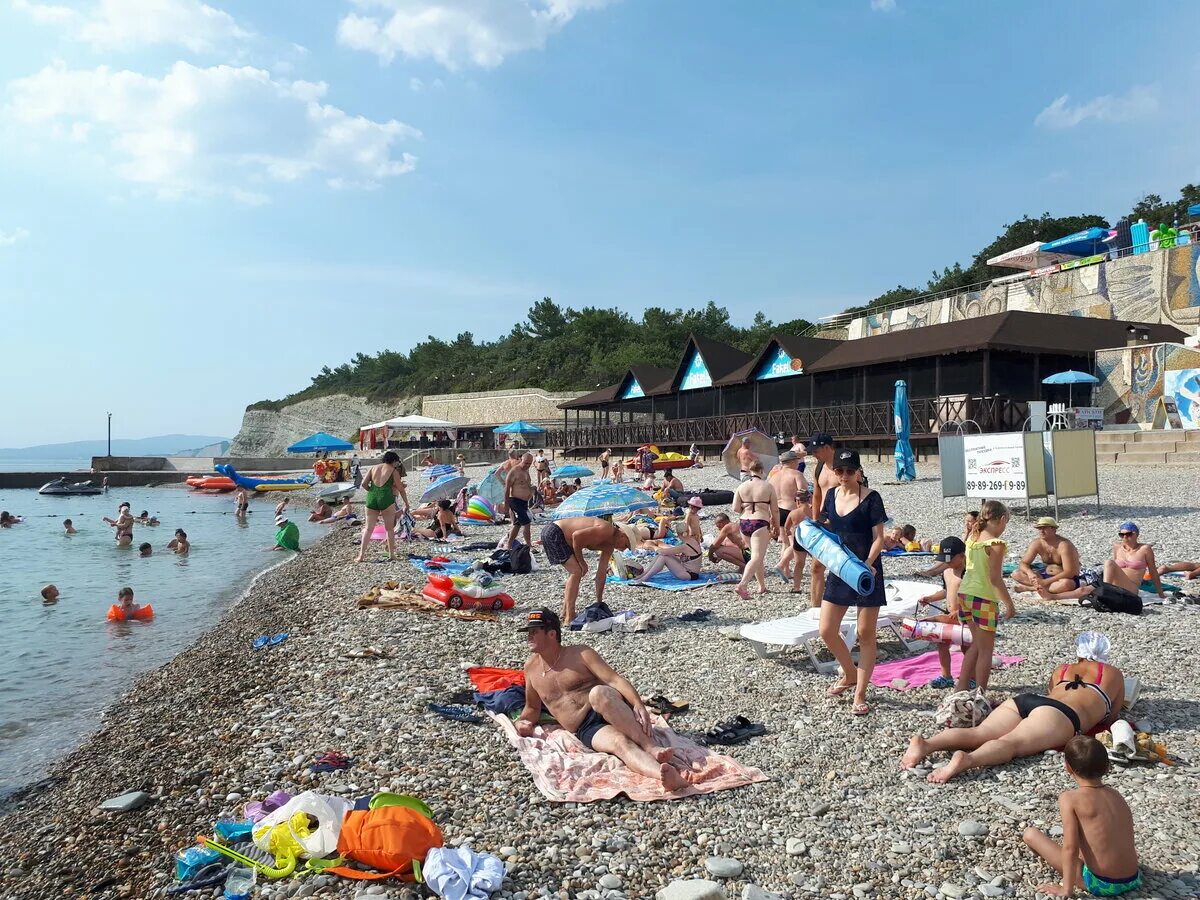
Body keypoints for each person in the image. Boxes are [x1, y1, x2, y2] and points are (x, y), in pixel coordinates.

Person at [903, 631, 1125, 784]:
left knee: (979, 732)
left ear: (1079, 651)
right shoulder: (1113, 674)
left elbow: (1050, 694)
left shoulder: (1063, 669)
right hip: (1060, 715)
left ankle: (927, 744)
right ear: (1104, 655)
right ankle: (968, 760)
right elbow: (1110, 717)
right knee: (1010, 743)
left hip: (1028, 700)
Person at [515, 608, 695, 789]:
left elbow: (615, 680)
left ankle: (651, 747)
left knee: (598, 693)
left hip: (606, 706)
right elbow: (532, 708)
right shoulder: (531, 668)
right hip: (586, 727)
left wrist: (637, 703)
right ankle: (665, 776)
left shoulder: (580, 654)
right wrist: (522, 722)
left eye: (534, 632)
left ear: (552, 634)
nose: (529, 637)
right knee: (620, 744)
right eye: (529, 633)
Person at [1023, 735, 1142, 897]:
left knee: (1031, 834)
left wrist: (1066, 889)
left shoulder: (1070, 799)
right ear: (1107, 768)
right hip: (1133, 878)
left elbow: (1070, 848)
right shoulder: (1116, 795)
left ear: (1068, 768)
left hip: (1103, 884)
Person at [818, 448, 887, 716]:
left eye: (850, 471)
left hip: (866, 571)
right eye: (840, 471)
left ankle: (860, 692)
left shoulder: (871, 498)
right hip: (840, 568)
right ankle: (849, 673)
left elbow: (879, 538)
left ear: (858, 472)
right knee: (826, 629)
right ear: (834, 472)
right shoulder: (831, 495)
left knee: (865, 633)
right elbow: (827, 530)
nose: (845, 476)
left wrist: (867, 565)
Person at [956, 499, 1017, 694]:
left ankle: (961, 686)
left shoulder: (973, 538)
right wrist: (1009, 604)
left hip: (965, 593)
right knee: (986, 650)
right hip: (983, 597)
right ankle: (980, 693)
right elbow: (995, 578)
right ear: (1002, 519)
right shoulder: (996, 544)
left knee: (976, 644)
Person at [539, 517, 635, 625]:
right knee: (577, 571)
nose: (623, 549)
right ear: (622, 535)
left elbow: (601, 573)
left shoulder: (609, 546)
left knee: (575, 572)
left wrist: (599, 601)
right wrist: (582, 562)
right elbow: (576, 536)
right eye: (626, 545)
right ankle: (569, 616)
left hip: (562, 537)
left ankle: (564, 612)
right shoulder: (606, 530)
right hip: (554, 532)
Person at [915, 537, 967, 688]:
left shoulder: (967, 573)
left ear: (962, 556)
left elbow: (973, 596)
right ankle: (946, 675)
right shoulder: (947, 572)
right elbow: (946, 591)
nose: (947, 562)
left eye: (950, 559)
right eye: (945, 559)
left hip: (966, 616)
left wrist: (960, 610)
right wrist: (930, 598)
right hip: (951, 613)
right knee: (942, 644)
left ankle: (972, 676)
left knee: (967, 648)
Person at [733, 459, 778, 599]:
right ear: (762, 471)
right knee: (758, 556)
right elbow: (775, 510)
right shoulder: (768, 486)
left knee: (755, 556)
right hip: (760, 521)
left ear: (750, 471)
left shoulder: (741, 487)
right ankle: (742, 584)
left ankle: (761, 586)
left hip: (744, 522)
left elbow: (735, 508)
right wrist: (775, 526)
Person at [355, 451, 408, 563]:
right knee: (389, 528)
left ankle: (361, 556)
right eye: (397, 462)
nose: (397, 464)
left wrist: (373, 491)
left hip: (371, 498)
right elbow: (401, 489)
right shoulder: (393, 471)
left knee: (368, 528)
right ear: (393, 461)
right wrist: (406, 503)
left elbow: (364, 484)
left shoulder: (373, 468)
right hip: (386, 499)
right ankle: (391, 554)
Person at [807, 432, 838, 609]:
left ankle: (846, 608)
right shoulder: (819, 467)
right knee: (817, 567)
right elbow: (817, 494)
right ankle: (815, 609)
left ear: (827, 447)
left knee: (842, 569)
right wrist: (814, 519)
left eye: (816, 450)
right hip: (823, 520)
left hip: (843, 521)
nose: (814, 454)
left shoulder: (843, 466)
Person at [1012, 517, 1083, 594]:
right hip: (1045, 575)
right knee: (1016, 574)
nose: (1041, 531)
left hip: (1064, 578)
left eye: (1044, 528)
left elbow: (1070, 572)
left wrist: (1045, 582)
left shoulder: (1064, 545)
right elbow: (1024, 563)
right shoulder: (1037, 543)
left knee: (1066, 584)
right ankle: (1042, 587)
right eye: (1039, 528)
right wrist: (1030, 573)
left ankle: (1031, 588)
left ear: (1054, 529)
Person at [769, 450, 809, 583]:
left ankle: (786, 571)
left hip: (777, 510)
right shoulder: (796, 474)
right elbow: (803, 494)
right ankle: (781, 564)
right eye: (797, 460)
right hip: (791, 510)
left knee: (785, 543)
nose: (799, 463)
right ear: (792, 462)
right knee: (797, 542)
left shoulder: (773, 476)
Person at [1104, 522, 1163, 598]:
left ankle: (1104, 592)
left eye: (1128, 534)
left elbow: (1153, 571)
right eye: (1122, 535)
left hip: (1132, 588)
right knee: (1085, 590)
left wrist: (1160, 593)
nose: (1125, 537)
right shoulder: (1117, 547)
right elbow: (1114, 568)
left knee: (1109, 562)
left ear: (1136, 534)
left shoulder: (1145, 549)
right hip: (1115, 584)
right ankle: (1104, 590)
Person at [634, 521, 704, 583]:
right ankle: (644, 574)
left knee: (663, 557)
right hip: (691, 572)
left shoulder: (684, 546)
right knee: (662, 556)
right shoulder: (693, 541)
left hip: (689, 575)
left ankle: (645, 577)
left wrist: (652, 547)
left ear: (679, 534)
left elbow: (663, 552)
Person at [781, 489, 813, 594]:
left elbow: (786, 528)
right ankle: (816, 584)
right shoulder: (813, 510)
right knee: (816, 564)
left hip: (799, 539)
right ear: (809, 499)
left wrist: (789, 533)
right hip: (813, 539)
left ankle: (796, 587)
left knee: (799, 564)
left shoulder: (793, 513)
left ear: (797, 501)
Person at [504, 452, 536, 551]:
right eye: (526, 463)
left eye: (529, 464)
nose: (527, 465)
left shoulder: (526, 471)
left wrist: (532, 490)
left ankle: (509, 545)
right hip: (514, 501)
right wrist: (506, 505)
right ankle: (529, 545)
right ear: (521, 459)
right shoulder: (514, 471)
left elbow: (525, 485)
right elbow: (507, 488)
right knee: (527, 522)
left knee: (517, 525)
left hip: (524, 503)